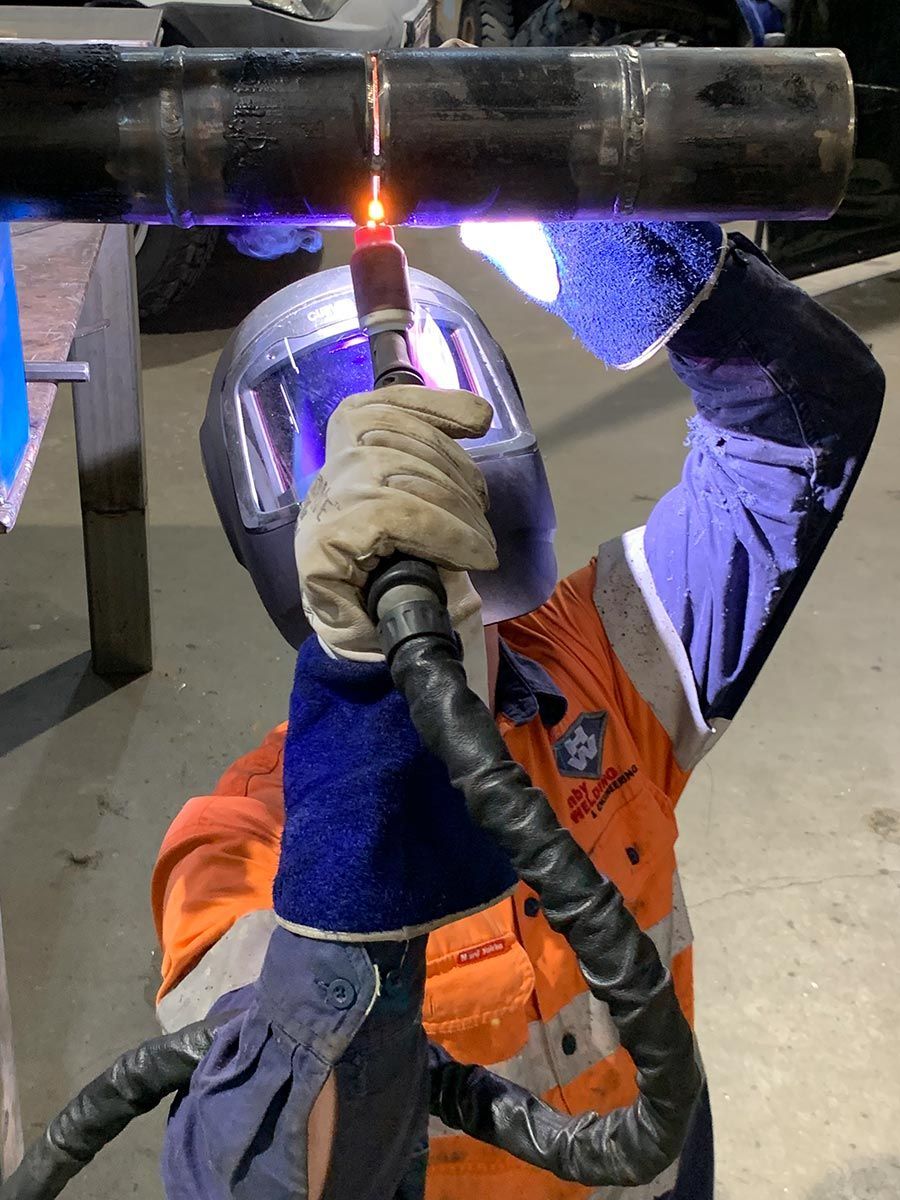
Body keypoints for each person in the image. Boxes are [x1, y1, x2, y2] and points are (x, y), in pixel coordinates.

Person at [152, 220, 884, 1200]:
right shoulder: (236, 856)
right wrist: (370, 722)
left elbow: (803, 415)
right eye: (342, 443)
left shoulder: (607, 661)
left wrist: (568, 214)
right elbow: (247, 1178)